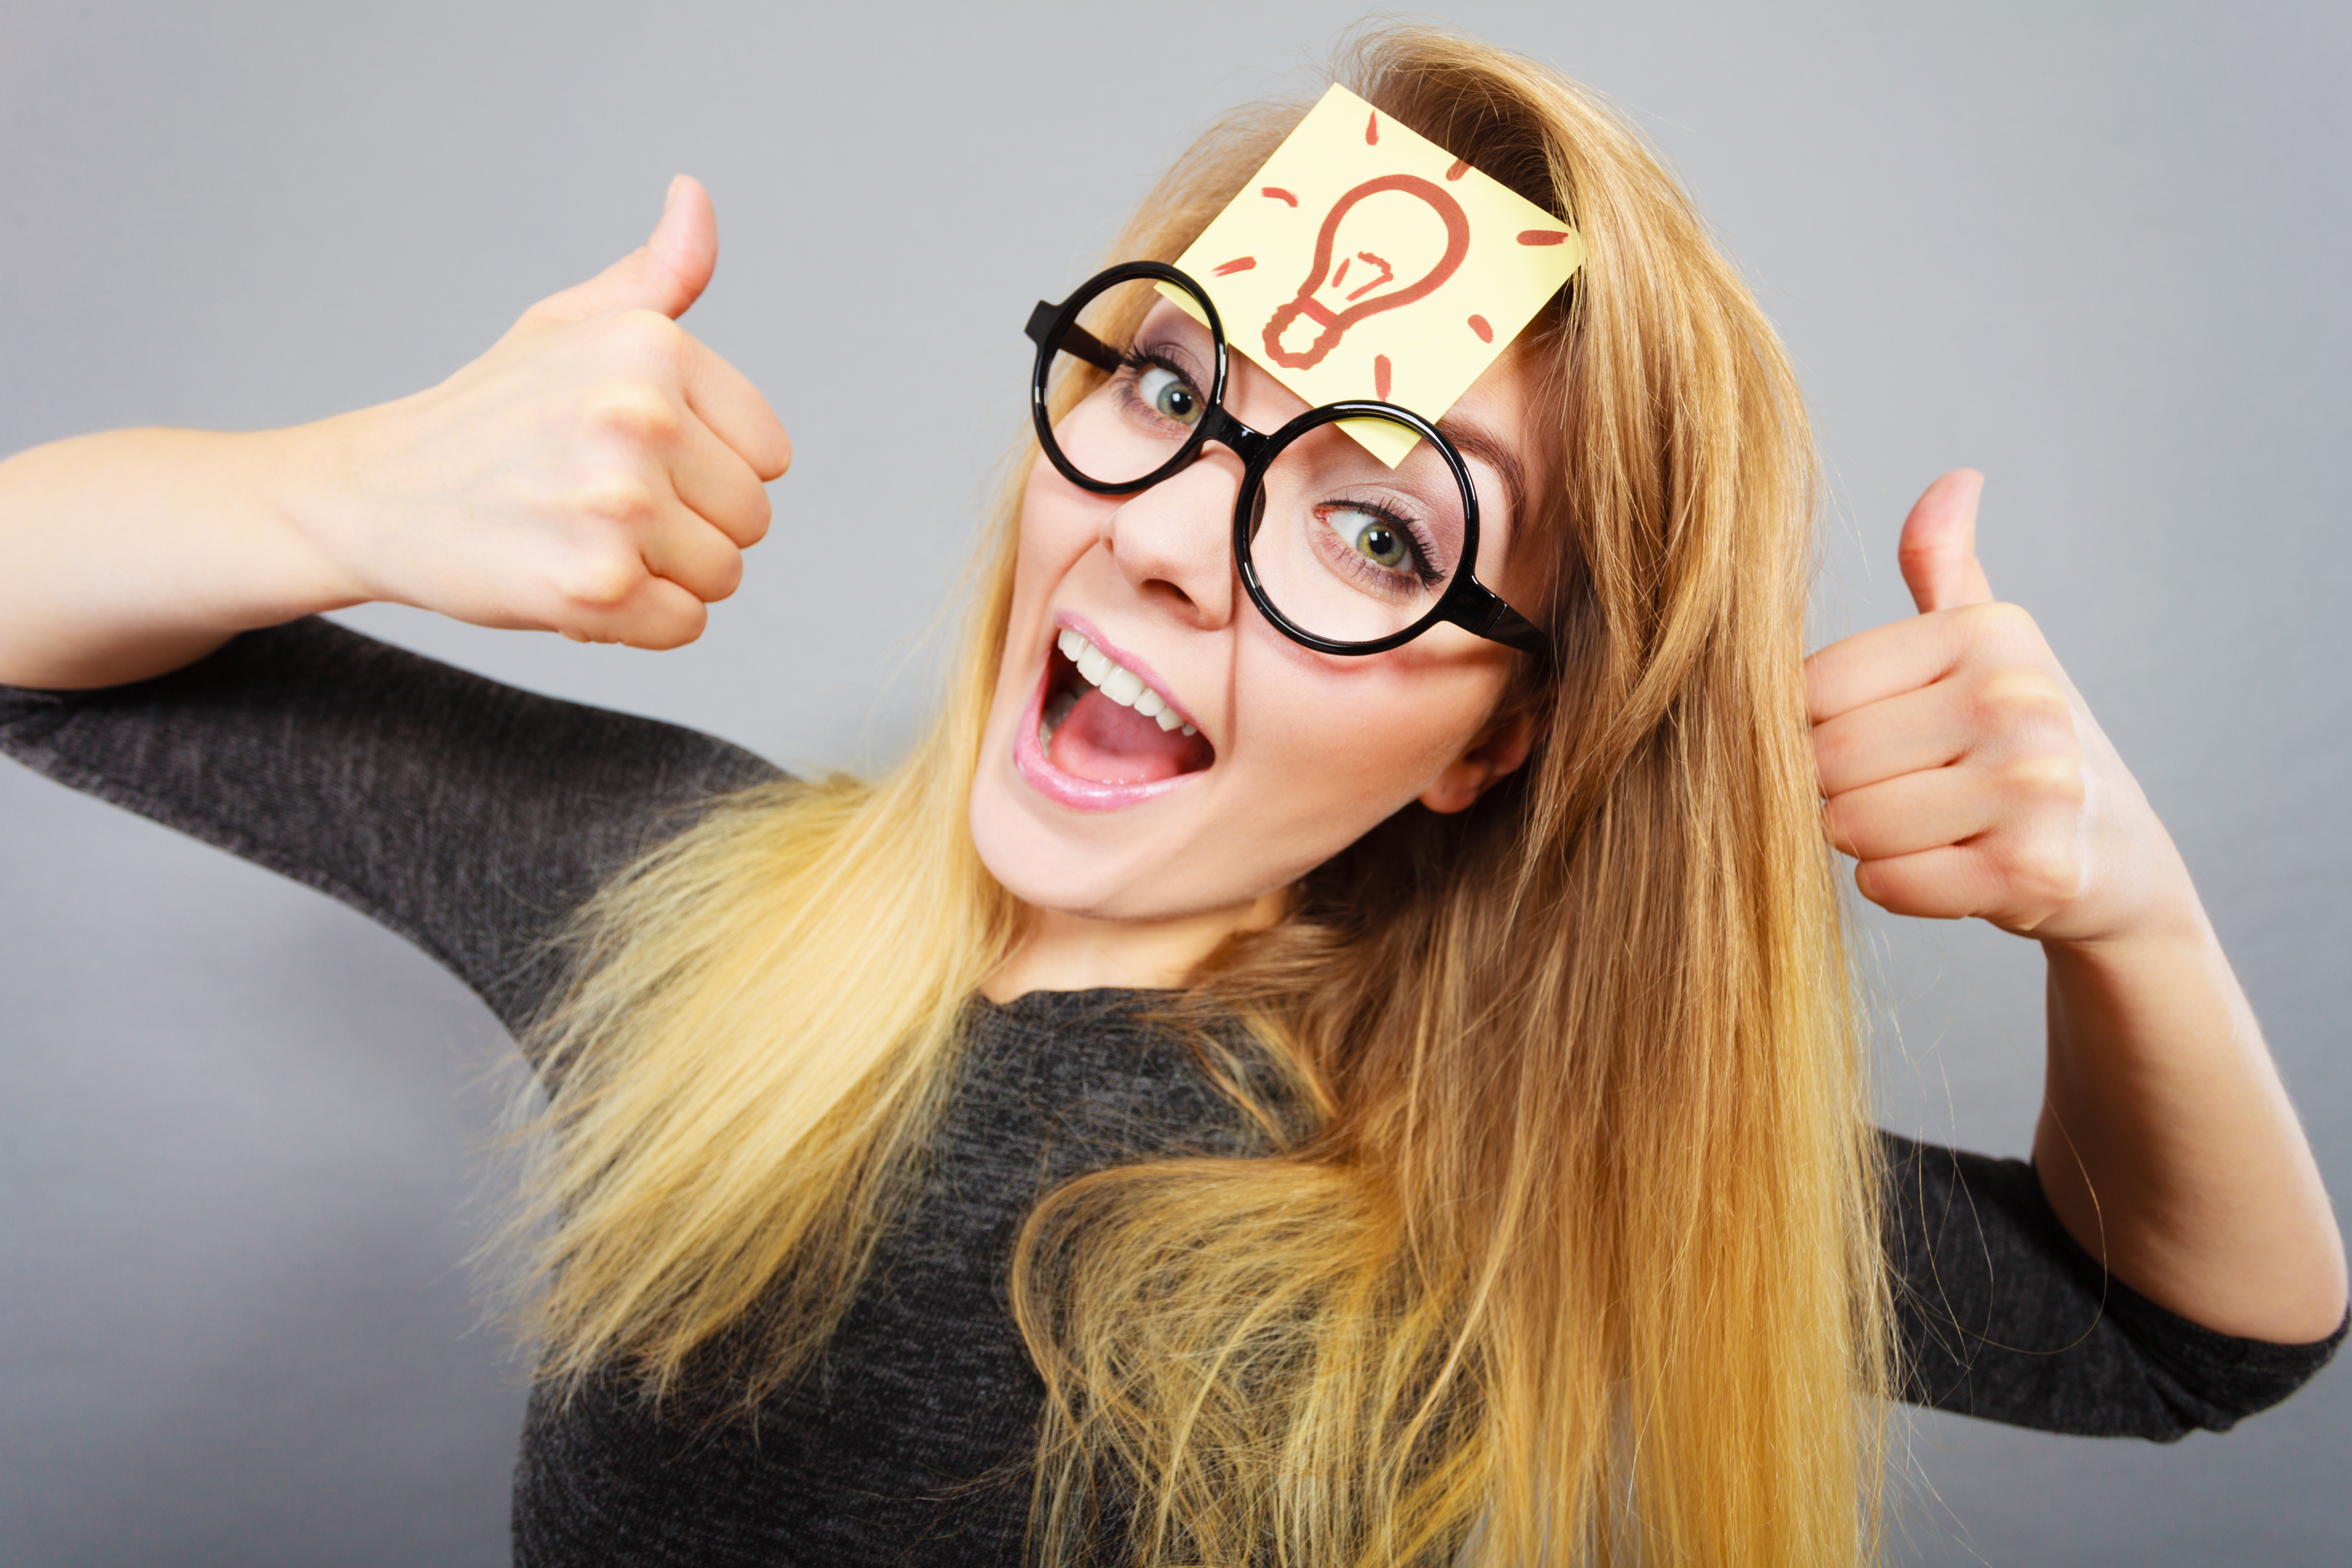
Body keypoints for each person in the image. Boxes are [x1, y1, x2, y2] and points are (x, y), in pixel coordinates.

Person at [0, 25, 2341, 1568]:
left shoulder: (1527, 1165)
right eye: (1163, 384)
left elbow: (2199, 1340)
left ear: (1495, 735)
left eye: (1374, 530)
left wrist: (2120, 908)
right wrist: (350, 493)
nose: (1165, 530)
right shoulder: (680, 906)